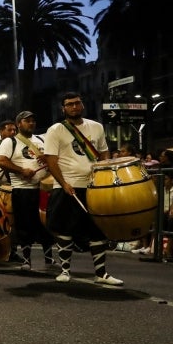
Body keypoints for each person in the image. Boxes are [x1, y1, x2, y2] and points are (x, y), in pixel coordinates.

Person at [44, 92, 123, 285]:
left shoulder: (96, 127)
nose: (74, 107)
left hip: (93, 187)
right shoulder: (56, 130)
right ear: (63, 108)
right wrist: (64, 184)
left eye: (77, 103)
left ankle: (101, 273)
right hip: (67, 186)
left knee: (96, 229)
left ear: (82, 105)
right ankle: (65, 270)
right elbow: (51, 161)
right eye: (69, 104)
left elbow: (104, 153)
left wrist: (103, 174)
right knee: (65, 229)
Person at [0, 111, 57, 271]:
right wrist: (21, 170)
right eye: (27, 121)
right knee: (24, 225)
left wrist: (47, 160)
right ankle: (26, 260)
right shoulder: (10, 142)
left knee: (45, 224)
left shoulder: (42, 140)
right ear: (19, 124)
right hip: (23, 190)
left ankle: (49, 258)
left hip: (43, 189)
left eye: (33, 120)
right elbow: (1, 161)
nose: (31, 123)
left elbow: (53, 160)